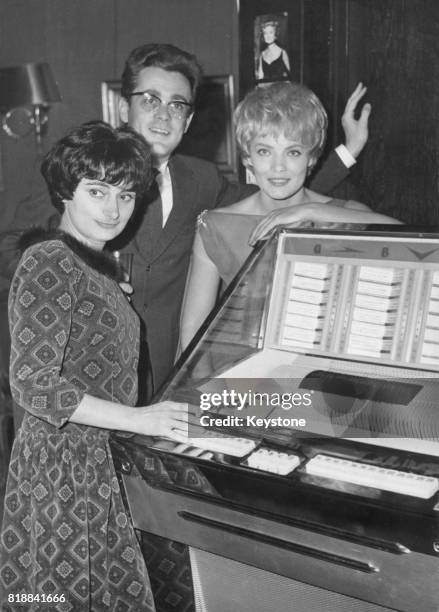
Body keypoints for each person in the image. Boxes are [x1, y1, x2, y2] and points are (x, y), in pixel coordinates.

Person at [110, 43, 371, 397]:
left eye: (176, 105)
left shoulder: (201, 180)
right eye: (150, 100)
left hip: (171, 371)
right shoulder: (85, 169)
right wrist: (82, 276)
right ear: (124, 108)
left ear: (188, 120)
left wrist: (346, 153)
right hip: (101, 361)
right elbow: (16, 245)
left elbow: (276, 193)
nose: (163, 115)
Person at [0, 121, 188, 611]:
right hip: (61, 470)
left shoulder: (91, 267)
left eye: (126, 195)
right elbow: (33, 384)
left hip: (93, 462)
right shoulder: (49, 260)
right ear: (66, 190)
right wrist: (139, 419)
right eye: (97, 191)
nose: (113, 209)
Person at [179, 82, 401, 350]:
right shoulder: (216, 226)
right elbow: (192, 330)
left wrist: (311, 211)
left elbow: (415, 239)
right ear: (247, 157)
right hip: (244, 378)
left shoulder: (343, 214)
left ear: (311, 157)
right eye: (264, 151)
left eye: (293, 152)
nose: (278, 167)